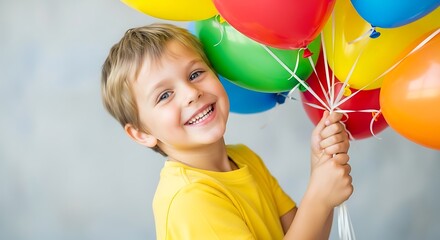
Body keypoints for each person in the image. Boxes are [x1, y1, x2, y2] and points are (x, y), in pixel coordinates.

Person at [101, 23, 353, 239]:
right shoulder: (190, 200)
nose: (191, 93)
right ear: (141, 133)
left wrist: (319, 167)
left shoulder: (244, 158)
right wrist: (318, 197)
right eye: (165, 95)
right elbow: (314, 211)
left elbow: (306, 232)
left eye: (195, 74)